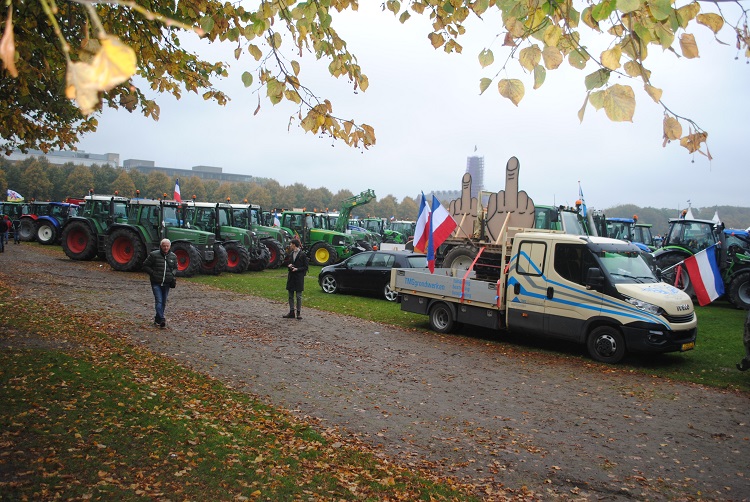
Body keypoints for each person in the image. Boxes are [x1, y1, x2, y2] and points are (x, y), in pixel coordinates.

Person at [142, 238, 178, 328]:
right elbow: (145, 265)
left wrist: (172, 274)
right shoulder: (154, 255)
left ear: (170, 246)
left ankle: (157, 319)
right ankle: (162, 319)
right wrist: (153, 273)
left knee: (163, 302)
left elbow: (175, 267)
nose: (166, 248)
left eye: (167, 246)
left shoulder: (173, 256)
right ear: (161, 246)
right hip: (156, 282)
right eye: (164, 246)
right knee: (159, 301)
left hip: (167, 283)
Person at [283, 238, 308, 320]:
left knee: (298, 296)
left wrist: (297, 269)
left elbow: (306, 267)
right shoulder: (291, 254)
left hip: (299, 278)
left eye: (291, 244)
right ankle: (291, 312)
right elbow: (289, 263)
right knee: (290, 295)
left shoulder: (302, 255)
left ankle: (298, 313)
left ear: (294, 245)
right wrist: (289, 266)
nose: (290, 245)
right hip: (291, 277)